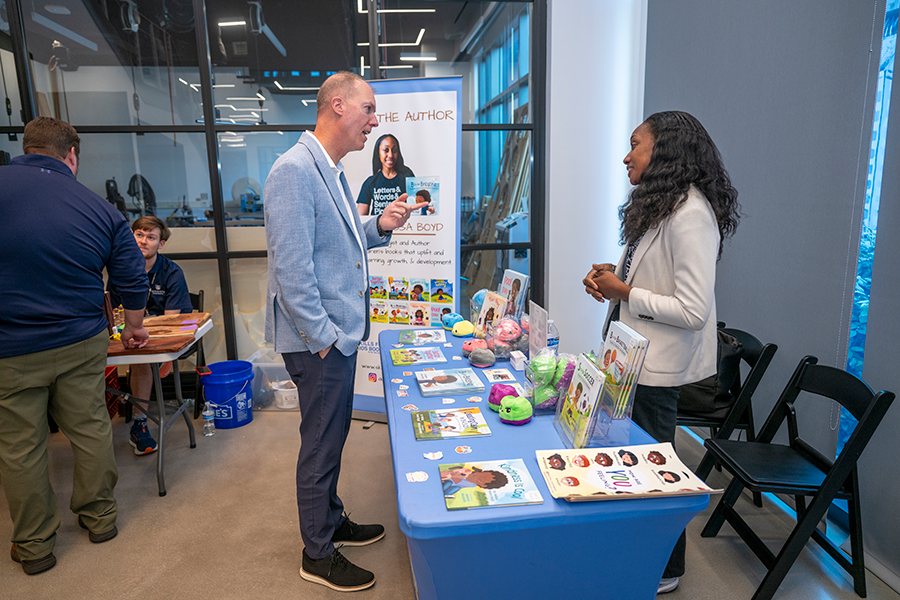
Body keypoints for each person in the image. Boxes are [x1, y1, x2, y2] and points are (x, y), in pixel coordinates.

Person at [264, 71, 427, 592]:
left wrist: (381, 227)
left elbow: (334, 243)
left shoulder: (328, 168)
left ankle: (331, 522)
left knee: (331, 437)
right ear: (337, 105)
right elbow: (292, 271)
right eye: (369, 110)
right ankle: (317, 552)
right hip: (321, 341)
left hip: (337, 335)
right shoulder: (293, 170)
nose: (375, 122)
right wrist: (326, 338)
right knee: (320, 444)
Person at [582, 110, 740, 594]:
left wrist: (625, 292)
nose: (626, 156)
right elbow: (654, 278)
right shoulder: (663, 205)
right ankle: (634, 549)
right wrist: (613, 281)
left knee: (656, 470)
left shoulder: (692, 214)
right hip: (631, 359)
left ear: (665, 151)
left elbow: (693, 310)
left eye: (636, 145)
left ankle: (667, 568)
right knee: (633, 462)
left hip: (657, 369)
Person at [0, 117, 149, 575]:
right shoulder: (99, 208)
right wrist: (133, 330)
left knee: (21, 446)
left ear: (27, 147)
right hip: (80, 339)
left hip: (9, 346)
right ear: (71, 156)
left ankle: (34, 546)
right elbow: (131, 279)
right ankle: (99, 518)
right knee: (89, 428)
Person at [107, 216, 193, 456]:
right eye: (139, 235)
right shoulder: (119, 271)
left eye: (151, 237)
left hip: (160, 339)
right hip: (125, 337)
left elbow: (171, 322)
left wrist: (137, 327)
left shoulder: (171, 272)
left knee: (142, 360)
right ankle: (96, 427)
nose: (144, 241)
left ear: (161, 244)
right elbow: (112, 312)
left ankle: (139, 424)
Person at [356, 133, 415, 216]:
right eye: (386, 150)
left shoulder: (407, 177)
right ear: (378, 153)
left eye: (394, 150)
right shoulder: (370, 182)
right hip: (378, 228)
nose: (390, 155)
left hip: (404, 228)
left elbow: (417, 209)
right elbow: (360, 218)